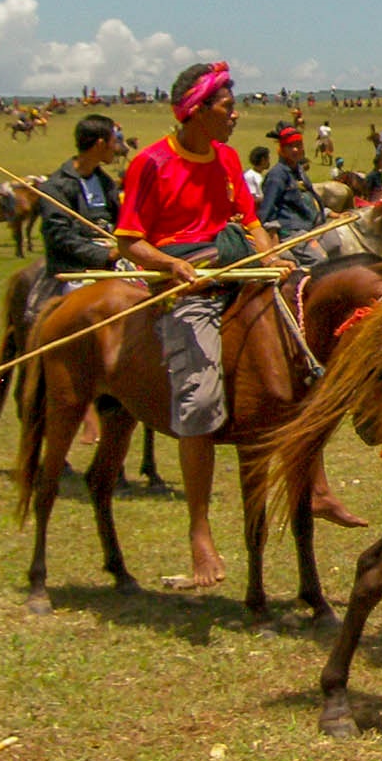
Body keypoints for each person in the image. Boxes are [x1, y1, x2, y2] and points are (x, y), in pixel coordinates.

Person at [114, 62, 296, 587]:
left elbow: (251, 221)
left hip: (236, 269)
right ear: (195, 111)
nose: (236, 115)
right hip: (184, 287)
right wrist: (170, 266)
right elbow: (129, 240)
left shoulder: (228, 157)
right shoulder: (150, 163)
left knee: (301, 351)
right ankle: (199, 531)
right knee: (198, 400)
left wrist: (272, 256)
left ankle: (321, 486)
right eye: (227, 107)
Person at [31, 113, 122, 321]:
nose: (116, 148)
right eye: (113, 141)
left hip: (114, 264)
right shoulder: (55, 187)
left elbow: (120, 222)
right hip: (74, 270)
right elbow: (61, 236)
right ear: (100, 144)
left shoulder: (106, 183)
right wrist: (104, 255)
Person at [258, 124, 326, 265]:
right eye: (290, 146)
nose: (296, 149)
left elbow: (310, 197)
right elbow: (267, 210)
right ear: (282, 150)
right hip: (290, 231)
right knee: (320, 260)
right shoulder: (277, 175)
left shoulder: (298, 170)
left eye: (299, 145)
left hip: (310, 226)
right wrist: (273, 236)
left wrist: (329, 213)